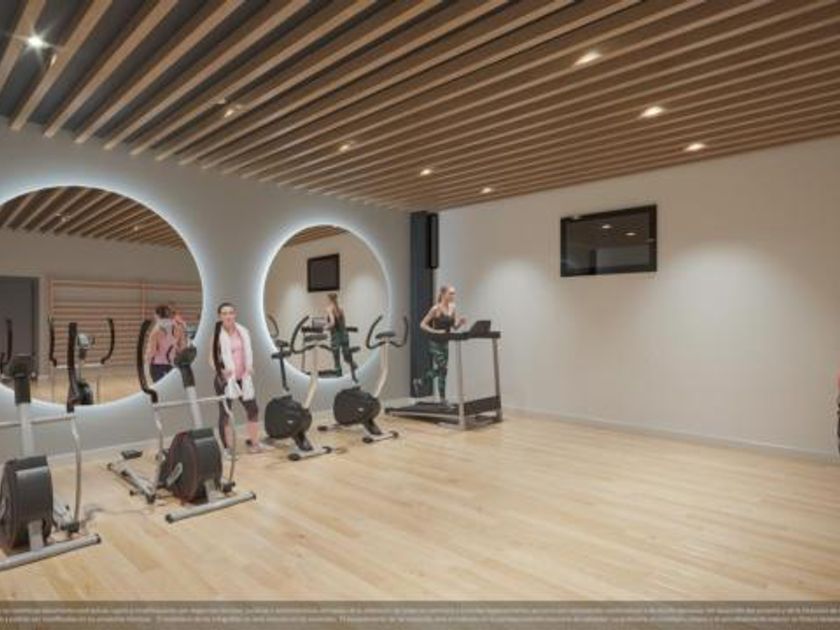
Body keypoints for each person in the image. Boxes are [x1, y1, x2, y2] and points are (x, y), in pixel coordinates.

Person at [212, 302, 264, 455]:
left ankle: (255, 443)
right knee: (225, 414)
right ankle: (227, 448)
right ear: (220, 316)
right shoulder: (217, 335)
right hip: (226, 381)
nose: (228, 316)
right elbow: (211, 358)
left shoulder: (243, 332)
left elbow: (246, 353)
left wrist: (250, 367)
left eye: (230, 312)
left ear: (235, 314)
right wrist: (220, 370)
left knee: (253, 409)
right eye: (224, 313)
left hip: (243, 378)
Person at [414, 285, 467, 403]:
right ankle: (441, 397)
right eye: (451, 293)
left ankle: (421, 382)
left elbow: (454, 327)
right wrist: (436, 331)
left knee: (443, 370)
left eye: (454, 293)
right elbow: (422, 324)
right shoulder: (435, 309)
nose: (453, 295)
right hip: (435, 343)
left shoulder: (453, 307)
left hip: (445, 342)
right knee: (443, 368)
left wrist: (460, 323)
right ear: (443, 294)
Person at [324, 292, 355, 376]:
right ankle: (355, 369)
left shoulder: (329, 309)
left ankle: (339, 377)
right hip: (344, 335)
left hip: (335, 336)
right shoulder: (341, 309)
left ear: (329, 299)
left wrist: (325, 327)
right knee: (347, 357)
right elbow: (344, 323)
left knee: (336, 360)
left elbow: (332, 323)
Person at [146, 305, 178, 383]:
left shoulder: (156, 331)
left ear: (157, 315)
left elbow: (152, 351)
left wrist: (147, 359)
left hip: (157, 365)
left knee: (159, 388)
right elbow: (180, 347)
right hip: (172, 364)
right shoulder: (177, 329)